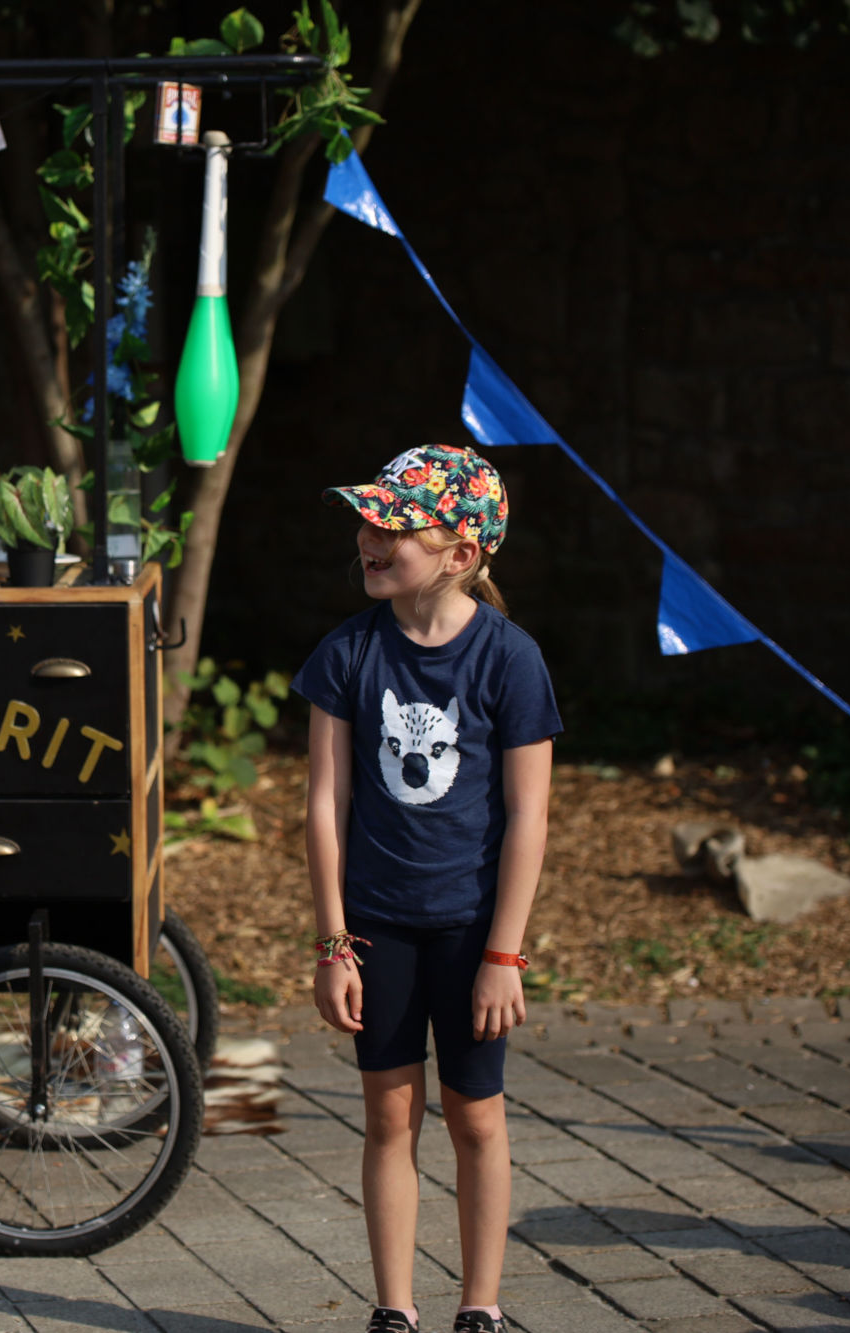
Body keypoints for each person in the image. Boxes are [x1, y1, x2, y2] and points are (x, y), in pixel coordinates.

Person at [293, 444, 558, 1333]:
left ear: (461, 554)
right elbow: (324, 805)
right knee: (389, 1116)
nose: (369, 539)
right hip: (377, 927)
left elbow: (529, 817)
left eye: (393, 527)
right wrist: (334, 943)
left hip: (472, 931)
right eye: (366, 522)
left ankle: (480, 1306)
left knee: (475, 1119)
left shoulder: (511, 660)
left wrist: (503, 954)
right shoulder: (346, 653)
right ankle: (394, 1309)